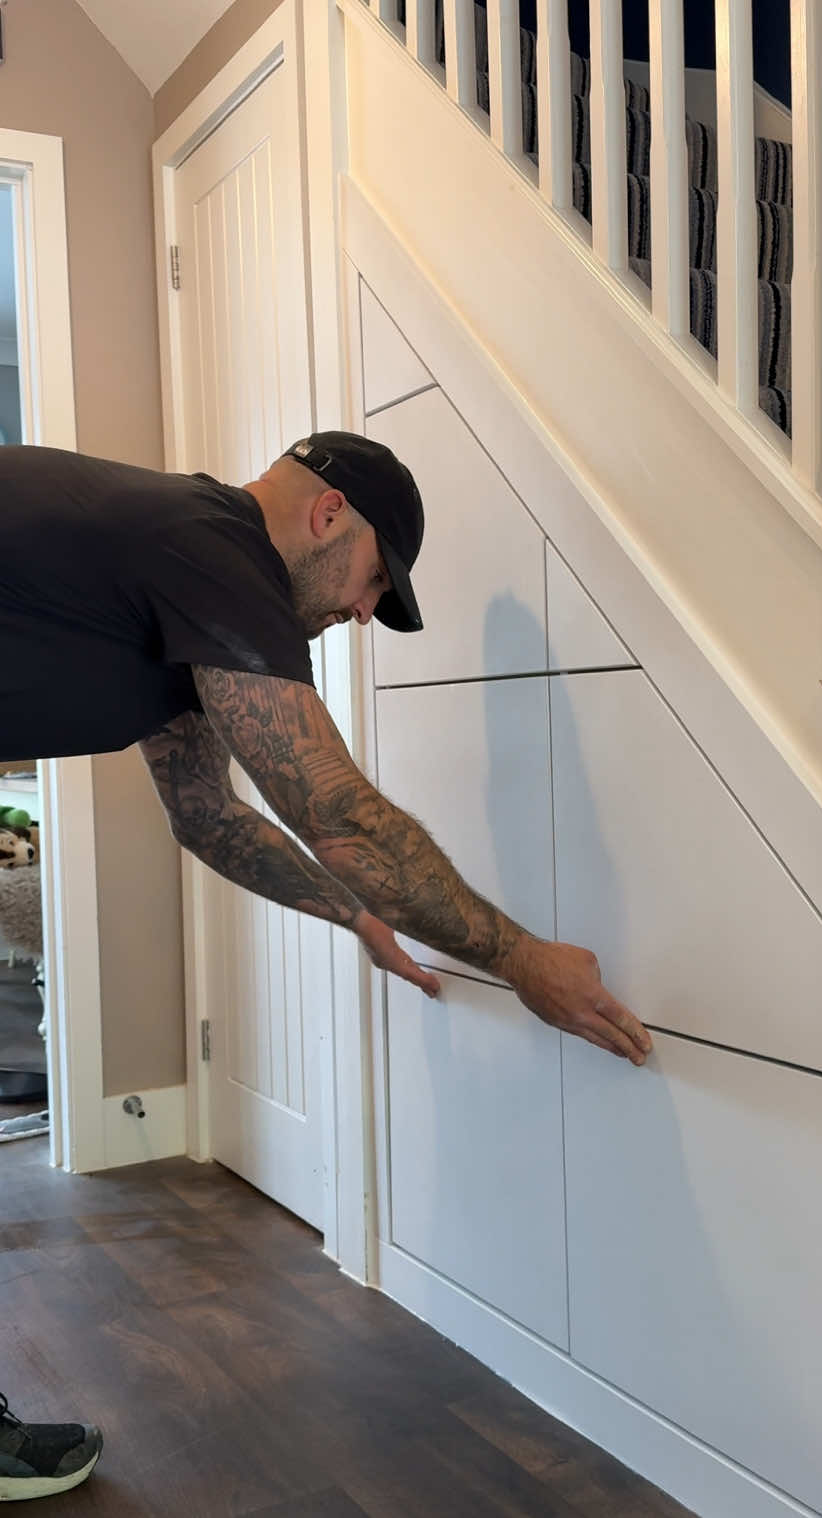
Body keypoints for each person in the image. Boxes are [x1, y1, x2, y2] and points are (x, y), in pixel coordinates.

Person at [0, 431, 651, 1500]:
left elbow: (207, 816)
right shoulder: (213, 552)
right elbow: (340, 815)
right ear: (328, 515)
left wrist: (348, 911)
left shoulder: (177, 583)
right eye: (371, 584)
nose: (359, 613)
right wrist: (521, 957)